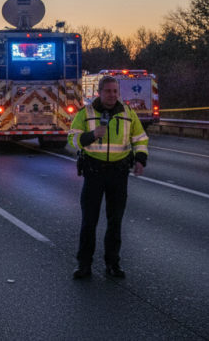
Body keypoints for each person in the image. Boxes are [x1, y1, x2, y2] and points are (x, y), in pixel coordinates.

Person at [68, 76, 148, 279]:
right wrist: (92, 135)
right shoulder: (86, 113)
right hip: (94, 172)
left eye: (115, 92)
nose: (112, 95)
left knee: (115, 222)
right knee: (89, 221)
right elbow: (72, 139)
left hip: (118, 173)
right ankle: (84, 264)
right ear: (99, 93)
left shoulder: (128, 113)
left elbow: (140, 139)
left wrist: (140, 159)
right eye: (108, 91)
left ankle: (113, 263)